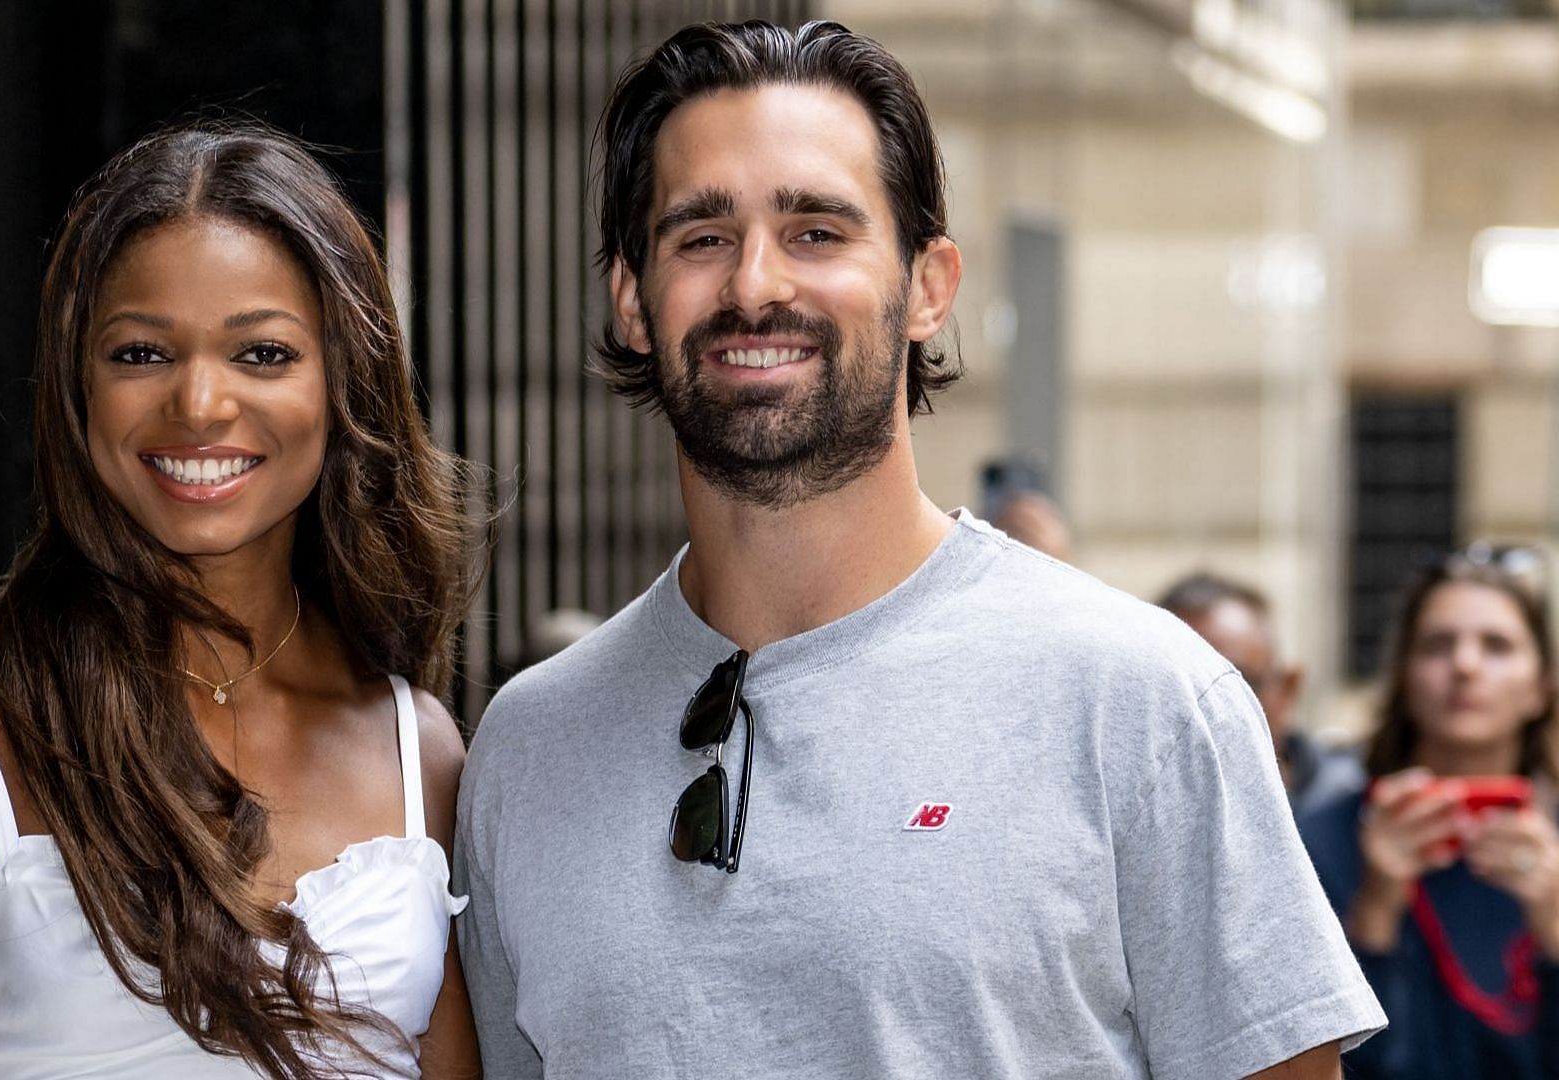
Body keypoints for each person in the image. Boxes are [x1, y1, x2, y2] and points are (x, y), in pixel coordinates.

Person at [454, 19, 1384, 1080]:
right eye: (701, 237)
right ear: (632, 299)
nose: (755, 284)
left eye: (816, 232)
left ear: (929, 286)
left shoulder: (1142, 702)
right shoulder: (527, 750)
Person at [0, 121, 480, 1079]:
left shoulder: (423, 750)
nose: (199, 404)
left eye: (263, 355)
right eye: (141, 354)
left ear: (344, 385)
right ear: (77, 385)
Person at [1299, 550, 1559, 1078]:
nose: (1465, 666)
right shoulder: (1322, 837)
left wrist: (1553, 920)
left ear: (1541, 687)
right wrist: (1376, 907)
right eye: (1438, 645)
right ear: (1403, 675)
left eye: (1497, 646)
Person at [1158, 571, 1363, 816]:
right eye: (1178, 692)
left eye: (1231, 689)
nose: (1204, 714)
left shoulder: (1354, 806)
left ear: (1287, 690)